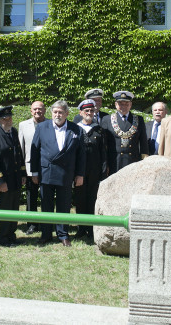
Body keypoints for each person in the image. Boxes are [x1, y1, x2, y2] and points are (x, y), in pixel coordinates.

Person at [30, 100, 85, 246]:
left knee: (64, 205)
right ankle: (46, 234)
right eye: (55, 112)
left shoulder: (76, 129)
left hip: (66, 173)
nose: (58, 115)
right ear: (51, 113)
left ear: (67, 113)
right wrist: (34, 172)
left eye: (61, 112)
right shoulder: (42, 127)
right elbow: (34, 151)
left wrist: (80, 174)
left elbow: (81, 155)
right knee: (46, 205)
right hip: (46, 171)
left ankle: (63, 234)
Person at [0, 106, 26, 247]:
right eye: (5, 118)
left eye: (10, 118)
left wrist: (22, 174)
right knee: (5, 208)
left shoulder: (13, 132)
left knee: (14, 208)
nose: (8, 120)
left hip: (15, 179)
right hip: (4, 180)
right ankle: (1, 237)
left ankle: (11, 235)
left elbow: (19, 154)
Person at [74, 99, 107, 239]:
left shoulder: (99, 129)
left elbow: (103, 153)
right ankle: (81, 228)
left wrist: (103, 172)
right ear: (81, 112)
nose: (89, 113)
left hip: (95, 171)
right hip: (79, 171)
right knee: (80, 199)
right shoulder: (75, 128)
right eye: (86, 111)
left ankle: (92, 229)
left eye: (92, 111)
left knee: (93, 199)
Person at [101, 91, 149, 175]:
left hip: (133, 161)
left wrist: (144, 161)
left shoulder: (138, 119)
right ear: (116, 104)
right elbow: (103, 144)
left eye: (126, 104)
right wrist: (105, 164)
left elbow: (143, 142)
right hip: (114, 161)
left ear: (130, 104)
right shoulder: (107, 119)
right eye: (120, 104)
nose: (123, 106)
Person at [18, 101, 46, 235]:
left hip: (47, 168)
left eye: (40, 109)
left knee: (47, 196)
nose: (37, 111)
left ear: (45, 110)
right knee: (31, 197)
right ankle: (32, 224)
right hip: (29, 168)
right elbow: (21, 149)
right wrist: (22, 171)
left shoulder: (51, 123)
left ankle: (47, 223)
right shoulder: (23, 125)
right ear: (31, 110)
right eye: (35, 109)